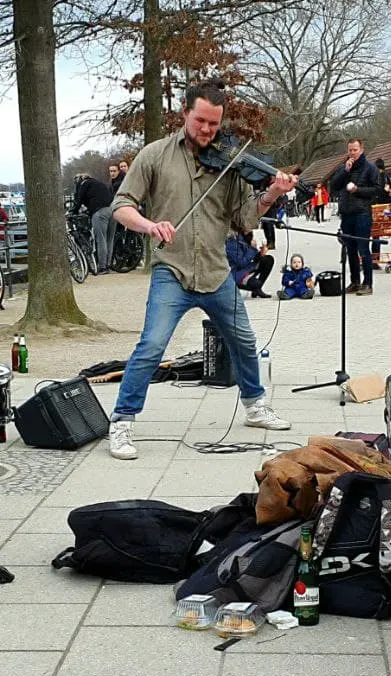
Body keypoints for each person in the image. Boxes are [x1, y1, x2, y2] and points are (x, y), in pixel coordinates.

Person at [107, 78, 295, 460]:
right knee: (152, 345)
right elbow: (121, 206)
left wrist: (273, 193)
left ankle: (255, 406)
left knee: (243, 341)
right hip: (171, 270)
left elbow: (245, 218)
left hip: (215, 269)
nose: (208, 131)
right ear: (185, 114)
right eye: (201, 122)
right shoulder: (155, 155)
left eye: (215, 124)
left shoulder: (231, 162)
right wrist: (149, 225)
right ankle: (122, 421)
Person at [327, 139, 381, 296]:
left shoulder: (370, 168)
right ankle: (355, 281)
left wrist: (358, 190)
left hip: (362, 213)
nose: (352, 153)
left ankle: (368, 283)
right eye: (350, 150)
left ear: (362, 150)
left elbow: (377, 190)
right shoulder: (345, 168)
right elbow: (334, 186)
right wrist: (345, 171)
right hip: (347, 213)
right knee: (350, 249)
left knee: (363, 249)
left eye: (355, 150)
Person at [71, 173, 115, 274]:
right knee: (110, 239)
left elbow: (78, 200)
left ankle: (103, 267)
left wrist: (73, 211)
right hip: (112, 211)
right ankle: (109, 264)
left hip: (99, 212)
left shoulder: (83, 184)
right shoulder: (98, 183)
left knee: (101, 239)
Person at [226, 228, 273, 298]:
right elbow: (241, 263)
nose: (252, 227)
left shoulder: (247, 236)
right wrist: (252, 248)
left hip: (246, 268)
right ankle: (256, 287)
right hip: (235, 272)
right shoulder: (231, 242)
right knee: (255, 283)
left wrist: (261, 253)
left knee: (268, 259)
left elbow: (252, 257)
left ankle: (257, 290)